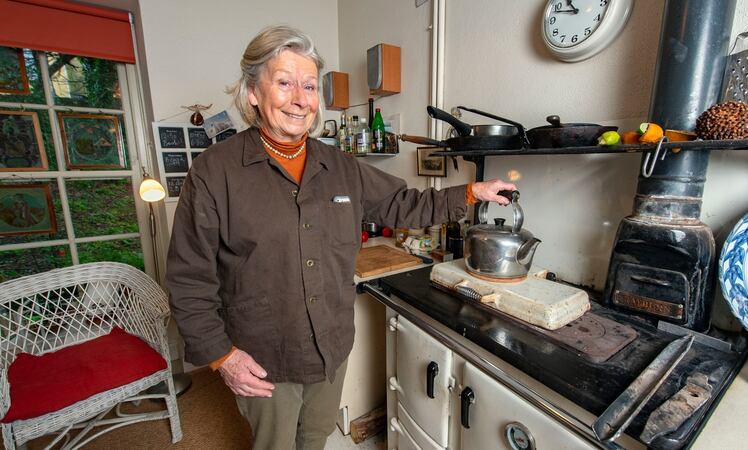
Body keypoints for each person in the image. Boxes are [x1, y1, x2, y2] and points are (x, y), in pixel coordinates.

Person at [165, 25, 516, 450]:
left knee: (314, 440)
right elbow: (188, 277)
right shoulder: (214, 171)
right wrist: (222, 356)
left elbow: (405, 204)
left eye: (309, 85)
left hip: (331, 345)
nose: (300, 98)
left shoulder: (340, 165)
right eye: (284, 83)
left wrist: (469, 193)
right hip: (263, 355)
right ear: (253, 93)